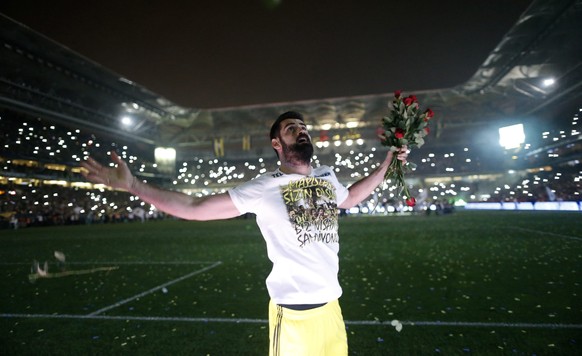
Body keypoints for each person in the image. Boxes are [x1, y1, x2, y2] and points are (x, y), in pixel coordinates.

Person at [81, 111, 408, 355]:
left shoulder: (326, 177)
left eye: (304, 128)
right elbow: (195, 207)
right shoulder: (264, 188)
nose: (302, 132)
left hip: (332, 308)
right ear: (277, 144)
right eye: (292, 129)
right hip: (292, 314)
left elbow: (350, 197)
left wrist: (387, 164)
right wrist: (135, 186)